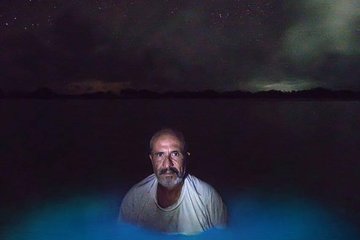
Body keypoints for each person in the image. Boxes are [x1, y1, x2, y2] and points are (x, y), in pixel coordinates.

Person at [119, 128, 227, 235]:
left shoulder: (207, 198)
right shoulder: (135, 199)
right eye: (160, 155)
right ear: (151, 159)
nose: (167, 165)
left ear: (185, 158)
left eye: (175, 154)